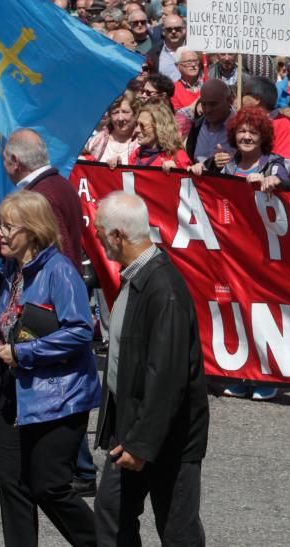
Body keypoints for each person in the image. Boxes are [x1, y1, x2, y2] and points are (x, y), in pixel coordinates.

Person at [0, 190, 101, 546]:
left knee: (49, 486)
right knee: (12, 486)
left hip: (56, 396)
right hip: (13, 389)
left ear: (32, 230)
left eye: (8, 227)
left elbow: (81, 331)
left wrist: (25, 353)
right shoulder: (11, 271)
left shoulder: (59, 270)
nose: (0, 233)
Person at [93, 192, 209, 545]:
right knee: (112, 515)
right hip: (133, 427)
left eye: (99, 229)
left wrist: (141, 445)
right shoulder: (137, 277)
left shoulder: (163, 290)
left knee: (177, 529)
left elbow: (167, 377)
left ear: (117, 236)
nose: (95, 236)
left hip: (166, 437)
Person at [183, 78, 234, 165]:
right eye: (204, 104)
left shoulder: (242, 127)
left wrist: (233, 161)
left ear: (229, 100)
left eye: (213, 104)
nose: (207, 110)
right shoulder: (196, 126)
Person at [127, 102, 190, 171]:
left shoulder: (177, 157)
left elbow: (189, 181)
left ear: (159, 128)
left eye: (142, 125)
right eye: (136, 124)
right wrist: (118, 169)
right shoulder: (136, 155)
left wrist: (176, 172)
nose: (136, 130)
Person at [86, 91, 140, 165]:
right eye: (115, 112)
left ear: (135, 114)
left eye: (125, 112)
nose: (120, 118)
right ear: (110, 116)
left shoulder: (141, 142)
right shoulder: (97, 140)